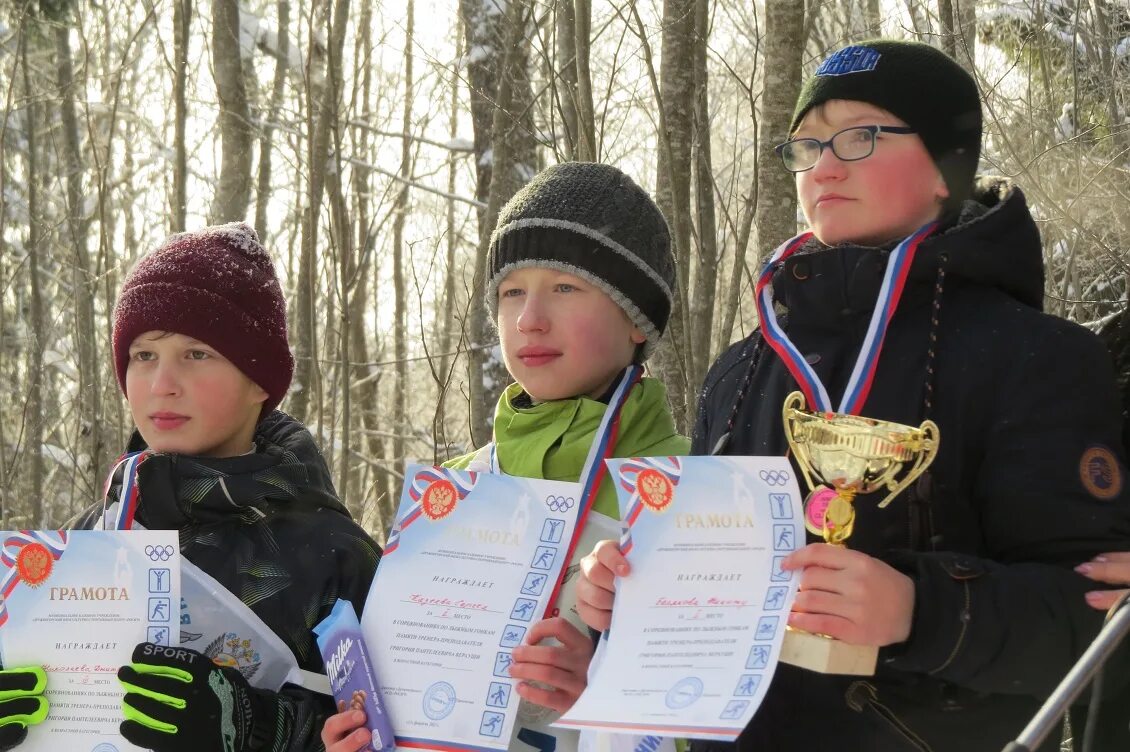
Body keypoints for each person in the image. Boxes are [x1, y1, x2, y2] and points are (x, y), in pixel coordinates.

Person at [575, 40, 1130, 752]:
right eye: (806, 144)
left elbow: (1100, 626)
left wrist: (922, 610)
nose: (825, 165)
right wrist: (625, 596)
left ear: (945, 170)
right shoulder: (740, 369)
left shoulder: (1038, 358)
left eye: (861, 136)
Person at [321, 162, 689, 752]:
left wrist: (601, 699)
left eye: (566, 287)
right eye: (512, 291)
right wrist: (365, 733)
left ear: (637, 319)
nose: (529, 319)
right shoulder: (452, 493)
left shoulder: (689, 493)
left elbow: (723, 714)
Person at [0, 223, 381, 752]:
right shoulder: (82, 543)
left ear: (260, 381)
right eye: (144, 356)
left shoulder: (340, 556)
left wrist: (253, 726)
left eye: (197, 354)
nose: (162, 384)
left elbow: (398, 732)